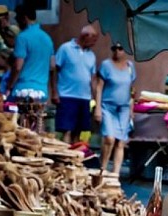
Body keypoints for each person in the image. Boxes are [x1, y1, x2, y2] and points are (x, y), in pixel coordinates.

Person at [94, 41, 136, 176]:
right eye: (114, 48)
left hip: (124, 108)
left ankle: (115, 175)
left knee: (121, 142)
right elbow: (99, 87)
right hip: (108, 106)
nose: (117, 51)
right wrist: (97, 107)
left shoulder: (130, 66)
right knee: (109, 139)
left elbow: (132, 89)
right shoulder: (106, 65)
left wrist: (132, 109)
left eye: (120, 48)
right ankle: (102, 169)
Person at [51, 25, 98, 144]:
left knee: (79, 131)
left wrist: (96, 99)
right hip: (67, 95)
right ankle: (65, 153)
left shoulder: (91, 55)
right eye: (93, 39)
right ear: (85, 36)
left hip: (84, 97)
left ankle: (76, 154)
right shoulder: (65, 48)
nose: (94, 43)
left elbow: (93, 79)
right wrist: (54, 92)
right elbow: (54, 70)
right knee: (67, 130)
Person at [4, 3, 54, 102]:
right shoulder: (47, 38)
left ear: (24, 18)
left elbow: (18, 67)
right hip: (42, 91)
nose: (16, 22)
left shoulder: (22, 37)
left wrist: (9, 86)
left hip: (23, 90)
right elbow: (52, 66)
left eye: (17, 18)